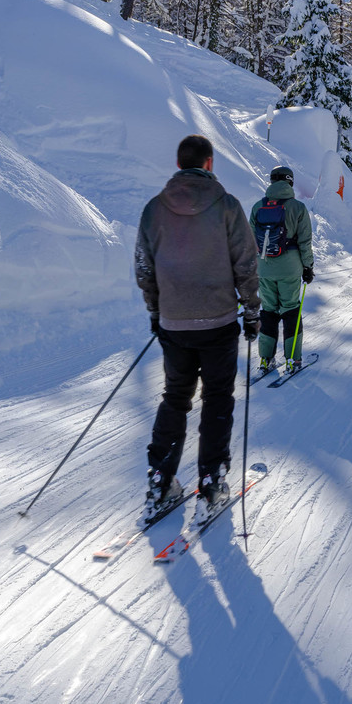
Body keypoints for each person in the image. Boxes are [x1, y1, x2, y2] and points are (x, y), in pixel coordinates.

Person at [134, 133, 259, 518]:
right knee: (217, 398)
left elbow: (144, 267)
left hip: (174, 324)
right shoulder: (226, 206)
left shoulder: (154, 209)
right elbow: (246, 263)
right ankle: (211, 482)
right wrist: (252, 310)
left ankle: (160, 481)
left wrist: (156, 312)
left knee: (175, 397)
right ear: (208, 164)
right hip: (219, 321)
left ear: (178, 165)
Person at [249, 164, 315, 376]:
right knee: (291, 310)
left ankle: (265, 360)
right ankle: (293, 359)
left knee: (268, 311)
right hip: (290, 269)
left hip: (264, 269)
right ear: (290, 181)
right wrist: (308, 267)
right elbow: (305, 241)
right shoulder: (298, 208)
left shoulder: (258, 207)